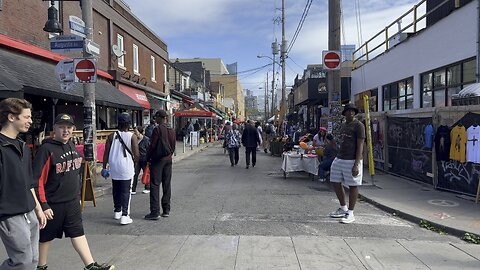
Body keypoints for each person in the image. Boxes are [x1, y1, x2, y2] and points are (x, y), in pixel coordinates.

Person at [34, 114, 114, 270]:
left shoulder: (71, 146)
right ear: (54, 129)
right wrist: (43, 205)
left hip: (71, 202)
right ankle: (40, 266)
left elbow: (74, 175)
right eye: (61, 127)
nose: (65, 131)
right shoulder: (46, 149)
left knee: (78, 233)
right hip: (52, 204)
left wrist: (78, 196)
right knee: (45, 238)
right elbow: (37, 181)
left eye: (69, 127)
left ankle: (90, 265)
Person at [0, 98, 46, 270]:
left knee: (33, 260)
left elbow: (29, 181)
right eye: (26, 117)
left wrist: (38, 208)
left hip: (30, 211)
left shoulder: (23, 146)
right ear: (11, 117)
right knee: (22, 262)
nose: (31, 121)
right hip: (9, 213)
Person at [329, 104, 365, 224]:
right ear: (344, 113)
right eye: (348, 111)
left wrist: (356, 163)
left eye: (352, 111)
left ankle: (350, 212)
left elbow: (360, 145)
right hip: (340, 157)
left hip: (352, 159)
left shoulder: (359, 125)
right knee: (335, 180)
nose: (350, 113)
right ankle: (343, 207)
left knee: (353, 184)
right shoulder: (343, 125)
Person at [103, 112, 139, 225]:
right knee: (126, 190)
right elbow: (136, 154)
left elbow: (106, 153)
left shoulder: (111, 136)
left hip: (114, 165)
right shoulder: (132, 136)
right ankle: (125, 215)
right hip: (126, 166)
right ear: (129, 124)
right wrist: (135, 163)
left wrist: (104, 167)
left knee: (116, 189)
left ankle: (117, 211)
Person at [145, 110, 176, 220]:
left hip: (158, 160)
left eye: (156, 117)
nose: (155, 119)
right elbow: (173, 146)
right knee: (167, 185)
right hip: (168, 159)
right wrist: (169, 154)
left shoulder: (157, 129)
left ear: (159, 117)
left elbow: (152, 146)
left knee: (155, 184)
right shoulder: (171, 130)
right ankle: (166, 210)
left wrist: (147, 158)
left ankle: (155, 211)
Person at [132, 126, 150, 195]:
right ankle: (133, 189)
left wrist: (149, 159)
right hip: (137, 159)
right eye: (134, 132)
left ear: (141, 132)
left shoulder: (146, 140)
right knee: (135, 173)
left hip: (145, 159)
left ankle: (147, 187)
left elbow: (149, 150)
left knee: (146, 173)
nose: (135, 133)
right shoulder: (134, 139)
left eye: (136, 132)